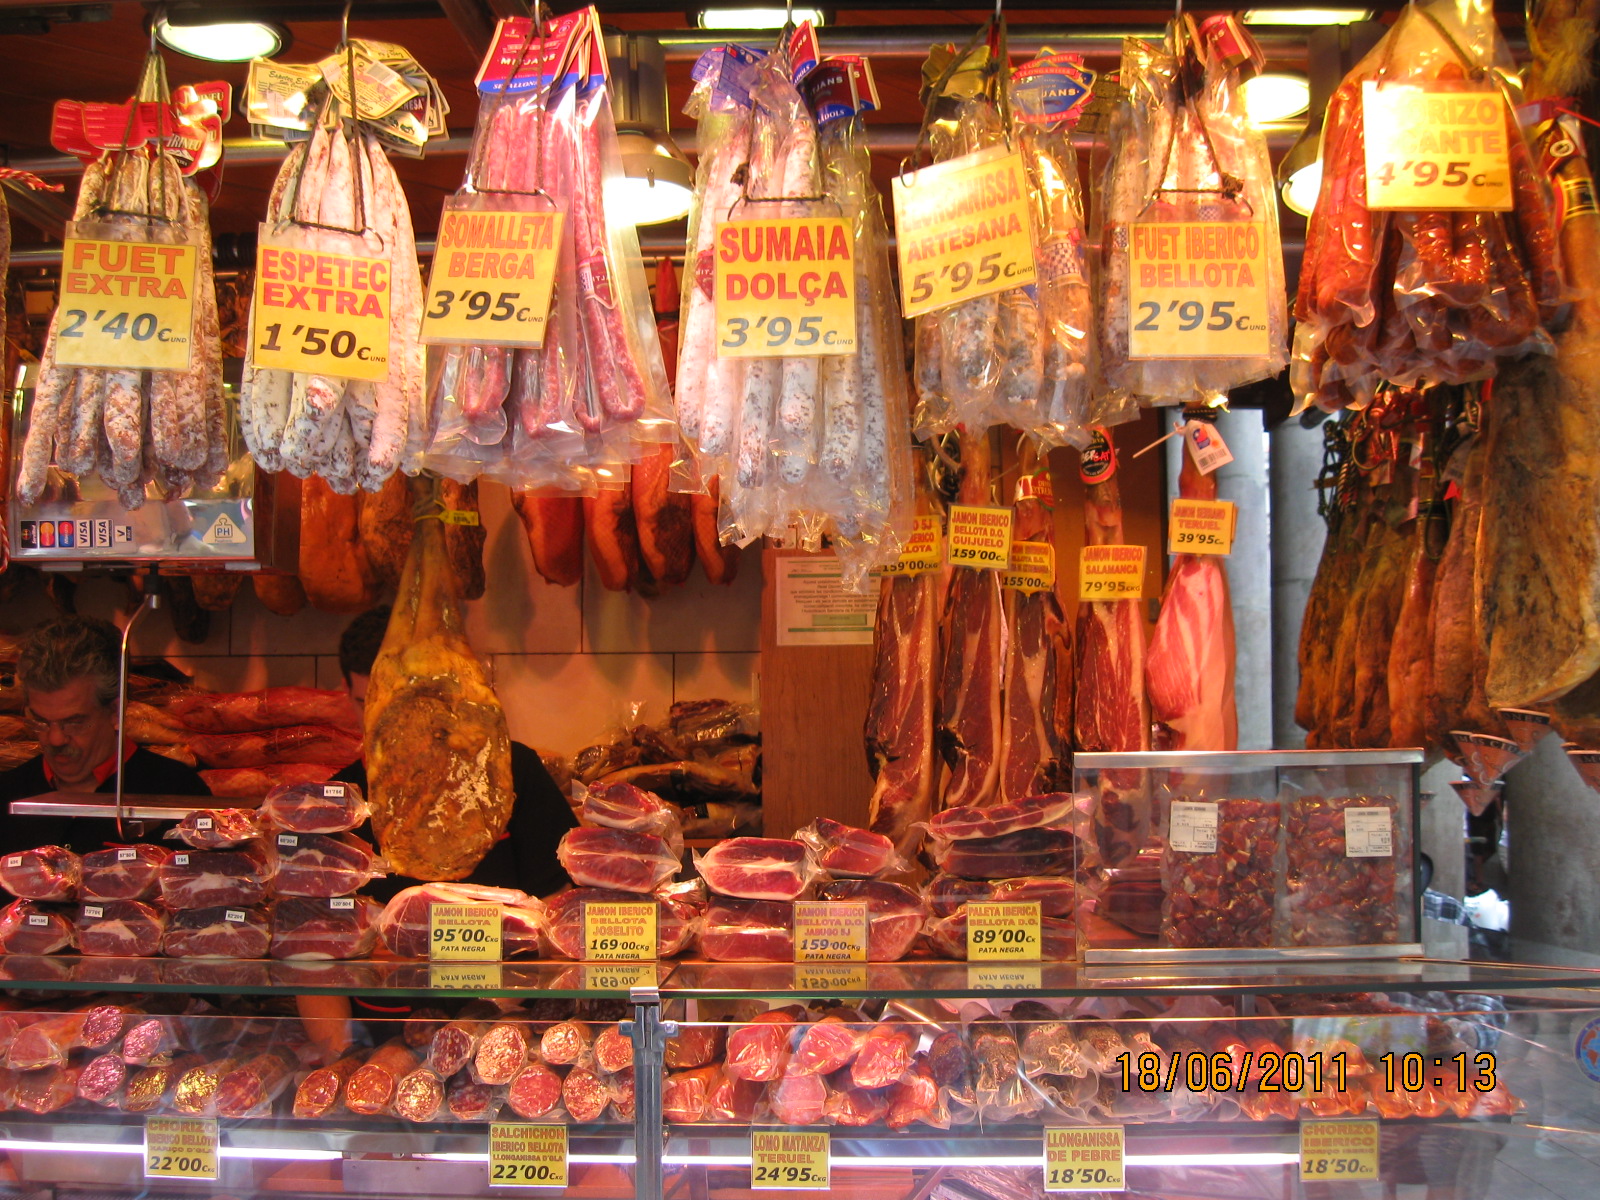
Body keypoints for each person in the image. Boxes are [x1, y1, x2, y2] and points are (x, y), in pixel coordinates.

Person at [332, 605, 579, 903]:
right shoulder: (338, 802)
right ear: (346, 691)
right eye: (368, 707)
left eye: (402, 708)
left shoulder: (511, 771)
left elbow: (559, 898)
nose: (390, 730)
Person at [0, 615, 207, 854]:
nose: (55, 739)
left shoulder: (177, 791)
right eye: (40, 721)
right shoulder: (7, 792)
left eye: (75, 722)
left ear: (116, 711)